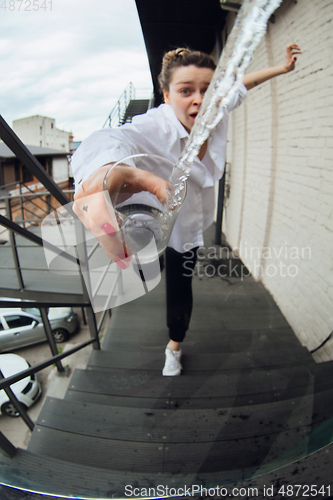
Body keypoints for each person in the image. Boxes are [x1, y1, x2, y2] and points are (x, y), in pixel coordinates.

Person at [72, 43, 301, 376]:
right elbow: (111, 137)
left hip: (188, 227)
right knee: (145, 259)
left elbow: (243, 85)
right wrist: (104, 169)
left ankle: (174, 347)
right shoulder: (157, 126)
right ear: (166, 96)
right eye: (185, 91)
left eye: (207, 90)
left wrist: (283, 68)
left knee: (181, 285)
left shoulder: (216, 109)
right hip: (156, 218)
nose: (198, 99)